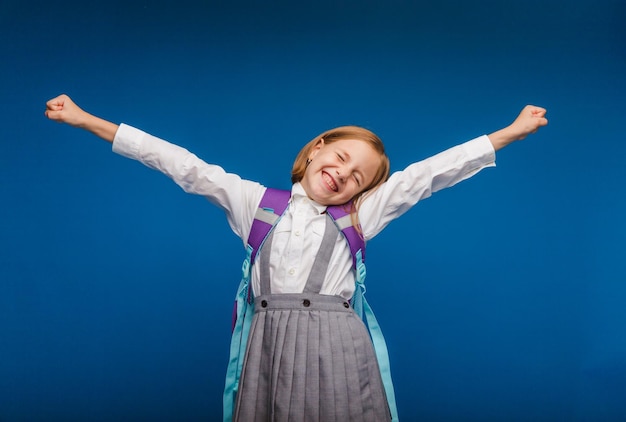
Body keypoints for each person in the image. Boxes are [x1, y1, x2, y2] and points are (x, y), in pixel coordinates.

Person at [45, 94, 548, 421]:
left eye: (358, 178)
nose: (344, 175)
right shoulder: (253, 203)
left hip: (336, 344)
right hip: (267, 343)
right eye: (342, 158)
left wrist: (507, 133)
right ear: (317, 149)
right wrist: (86, 119)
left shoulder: (360, 216)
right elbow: (182, 164)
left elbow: (426, 175)